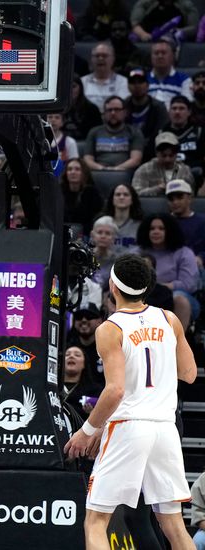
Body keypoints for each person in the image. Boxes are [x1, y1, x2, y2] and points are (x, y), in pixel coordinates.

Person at [65, 254, 197, 550]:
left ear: (112, 285)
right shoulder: (169, 318)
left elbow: (115, 391)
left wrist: (86, 431)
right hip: (165, 428)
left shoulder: (109, 328)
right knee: (174, 526)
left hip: (129, 427)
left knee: (96, 521)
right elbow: (189, 374)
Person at [136, 213, 200, 330]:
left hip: (178, 297)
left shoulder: (184, 253)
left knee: (178, 297)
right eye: (152, 228)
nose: (156, 231)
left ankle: (177, 344)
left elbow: (189, 285)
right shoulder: (138, 252)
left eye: (161, 228)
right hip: (146, 295)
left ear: (170, 231)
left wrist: (161, 287)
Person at [83, 95, 144, 171]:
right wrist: (103, 169)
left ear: (125, 112)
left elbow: (136, 159)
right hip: (99, 173)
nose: (113, 113)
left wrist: (116, 169)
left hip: (125, 173)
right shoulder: (94, 132)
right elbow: (87, 159)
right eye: (109, 110)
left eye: (117, 109)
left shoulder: (134, 132)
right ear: (104, 114)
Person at [132, 132, 194, 196]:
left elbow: (191, 195)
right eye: (163, 156)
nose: (167, 159)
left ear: (176, 154)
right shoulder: (144, 170)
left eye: (171, 155)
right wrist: (157, 189)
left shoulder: (185, 170)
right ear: (156, 153)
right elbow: (135, 194)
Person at [81, 42, 129, 112]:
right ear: (91, 59)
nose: (100, 58)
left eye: (104, 56)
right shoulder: (82, 82)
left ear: (113, 59)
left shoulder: (124, 82)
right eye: (97, 56)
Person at [166, 180, 205, 262]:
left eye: (180, 197)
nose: (175, 202)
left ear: (190, 198)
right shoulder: (163, 222)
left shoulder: (202, 221)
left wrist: (201, 258)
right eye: (171, 199)